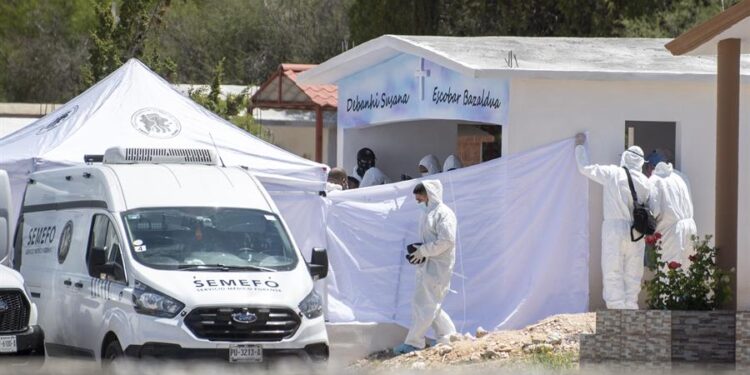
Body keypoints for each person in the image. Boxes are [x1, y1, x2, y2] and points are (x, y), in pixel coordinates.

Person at [574, 133, 653, 310]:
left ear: (625, 158)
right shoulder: (646, 183)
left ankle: (616, 309)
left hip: (614, 228)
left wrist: (579, 146)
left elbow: (585, 168)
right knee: (633, 272)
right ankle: (631, 307)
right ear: (641, 163)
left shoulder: (612, 173)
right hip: (636, 231)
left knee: (612, 269)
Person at [393, 180, 457, 354]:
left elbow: (446, 241)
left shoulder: (443, 214)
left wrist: (423, 250)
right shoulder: (428, 213)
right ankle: (448, 335)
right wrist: (419, 251)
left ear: (429, 194)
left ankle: (414, 342)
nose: (418, 202)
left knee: (424, 304)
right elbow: (431, 240)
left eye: (419, 198)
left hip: (438, 268)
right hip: (428, 266)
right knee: (429, 303)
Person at [648, 162, 697, 268]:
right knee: (688, 269)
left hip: (671, 230)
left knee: (669, 271)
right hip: (690, 227)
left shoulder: (655, 180)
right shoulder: (680, 176)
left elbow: (653, 210)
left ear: (652, 167)